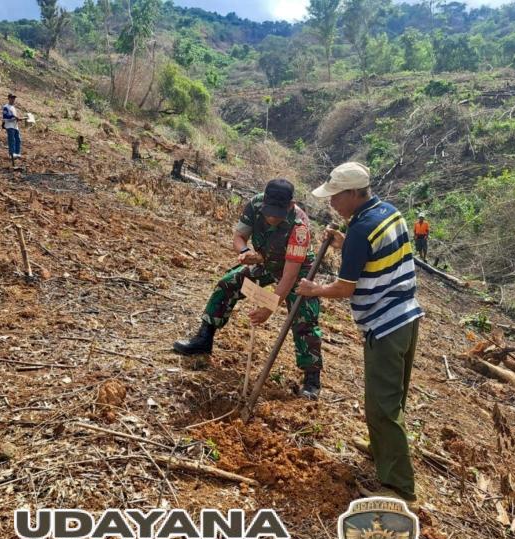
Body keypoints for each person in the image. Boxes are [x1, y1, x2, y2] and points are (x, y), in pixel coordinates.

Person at [296, 162, 424, 506]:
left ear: (354, 194)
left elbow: (344, 288)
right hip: (407, 316)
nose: (332, 204)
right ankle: (381, 448)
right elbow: (374, 256)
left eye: (336, 197)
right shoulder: (388, 213)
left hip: (385, 324)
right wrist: (343, 243)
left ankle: (399, 488)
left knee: (382, 406)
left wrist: (314, 289)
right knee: (392, 397)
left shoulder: (360, 229)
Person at [173, 179, 323, 399]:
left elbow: (290, 275)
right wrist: (245, 252)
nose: (271, 218)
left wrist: (269, 307)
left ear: (291, 205)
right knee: (229, 283)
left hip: (297, 270)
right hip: (264, 261)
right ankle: (203, 339)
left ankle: (312, 379)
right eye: (268, 212)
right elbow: (239, 237)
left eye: (277, 214)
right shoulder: (255, 205)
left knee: (304, 316)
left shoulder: (299, 227)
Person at [2, 93, 25, 159]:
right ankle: (11, 154)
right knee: (12, 139)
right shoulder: (6, 107)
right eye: (11, 98)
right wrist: (15, 117)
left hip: (15, 126)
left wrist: (17, 119)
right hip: (9, 126)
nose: (13, 99)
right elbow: (6, 116)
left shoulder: (13, 108)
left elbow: (14, 117)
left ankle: (17, 153)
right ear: (8, 98)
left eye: (14, 98)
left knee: (18, 139)